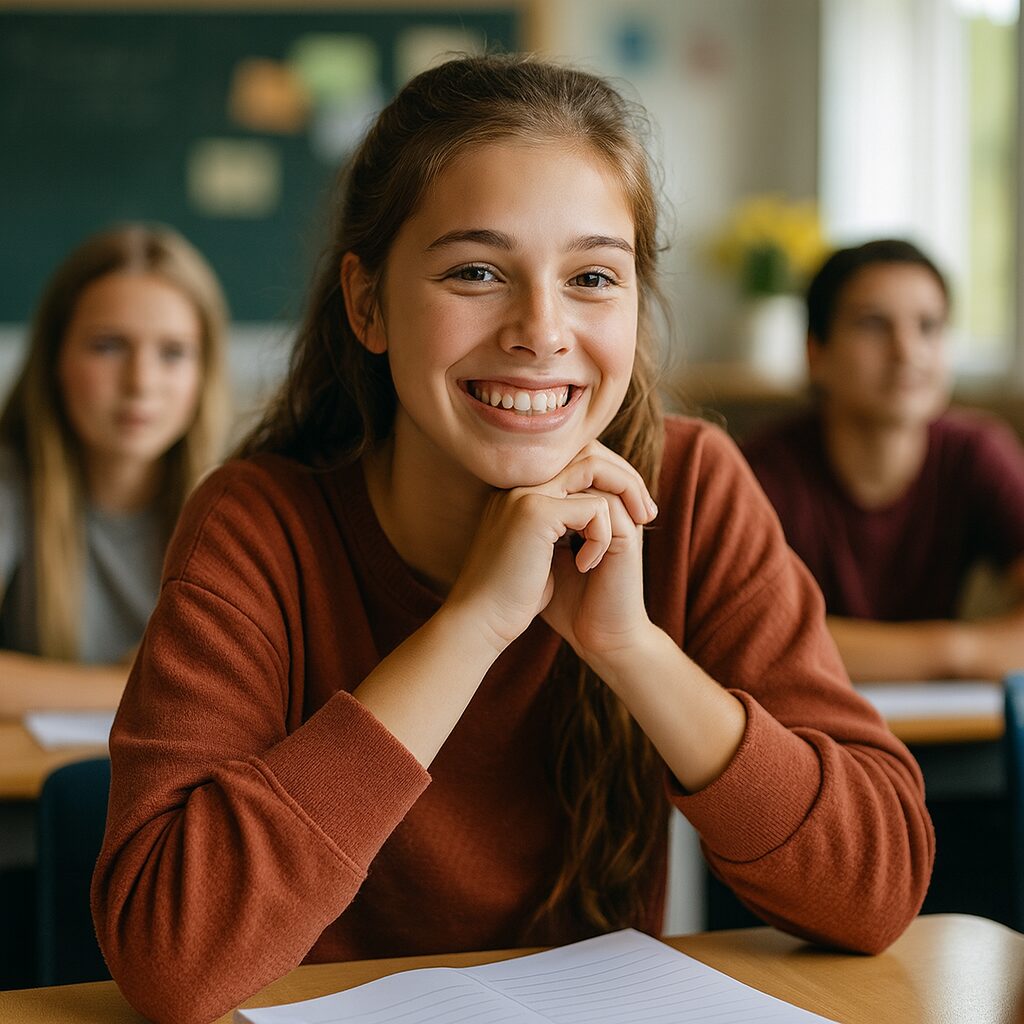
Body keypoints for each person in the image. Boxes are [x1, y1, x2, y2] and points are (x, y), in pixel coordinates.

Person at [92, 56, 933, 1024]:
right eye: (476, 272)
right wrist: (473, 625)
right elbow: (169, 957)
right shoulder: (259, 525)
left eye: (590, 277)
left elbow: (875, 890)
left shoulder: (691, 487)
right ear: (365, 303)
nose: (541, 329)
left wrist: (633, 651)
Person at [742, 239, 1024, 683]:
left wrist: (952, 651)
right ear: (816, 352)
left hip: (950, 729)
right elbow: (757, 638)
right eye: (873, 325)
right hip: (805, 729)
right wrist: (956, 651)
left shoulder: (976, 453)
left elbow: (805, 644)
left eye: (929, 326)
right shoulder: (760, 472)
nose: (907, 352)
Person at [0, 223, 230, 716]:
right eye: (107, 346)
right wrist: (124, 683)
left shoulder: (243, 502)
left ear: (203, 373)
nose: (141, 382)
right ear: (55, 359)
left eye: (172, 353)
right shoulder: (9, 481)